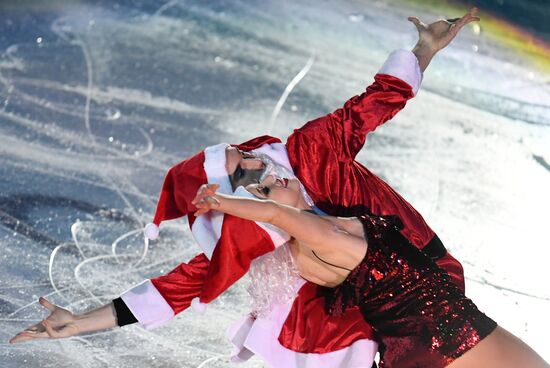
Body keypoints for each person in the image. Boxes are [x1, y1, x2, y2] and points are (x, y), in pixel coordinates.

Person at [10, 8, 482, 367]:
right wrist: (80, 323)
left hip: (426, 270)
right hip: (387, 317)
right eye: (249, 180)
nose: (262, 171)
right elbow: (175, 288)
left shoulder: (310, 153)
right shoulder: (267, 238)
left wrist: (425, 50)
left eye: (246, 157)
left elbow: (370, 105)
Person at [185, 180, 550, 368]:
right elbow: (275, 214)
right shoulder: (321, 238)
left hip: (428, 340)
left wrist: (423, 52)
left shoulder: (325, 226)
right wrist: (221, 203)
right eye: (264, 191)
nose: (272, 180)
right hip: (448, 333)